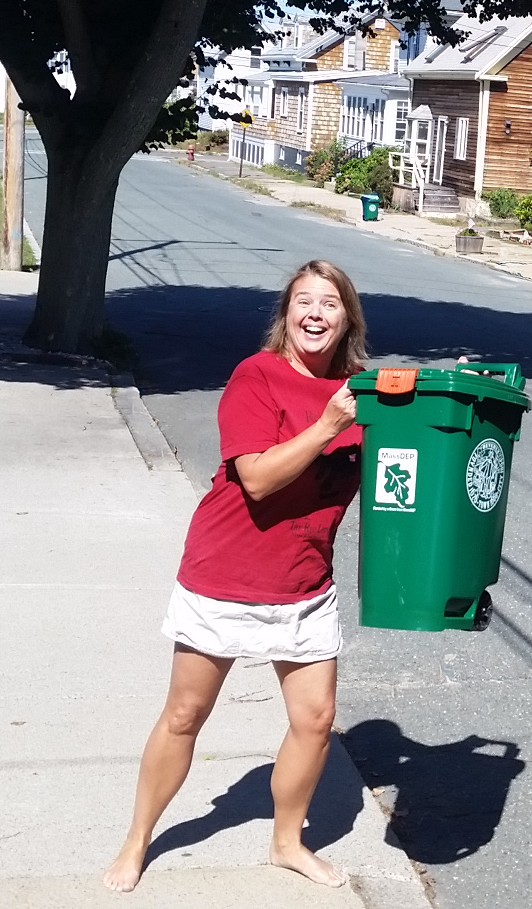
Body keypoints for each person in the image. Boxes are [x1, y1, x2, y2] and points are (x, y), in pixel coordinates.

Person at [103, 260, 368, 892]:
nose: (314, 313)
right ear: (285, 314)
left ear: (347, 319)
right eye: (303, 301)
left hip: (304, 580)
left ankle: (286, 842)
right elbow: (256, 478)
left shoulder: (362, 392)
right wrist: (329, 425)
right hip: (227, 570)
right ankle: (137, 840)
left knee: (316, 718)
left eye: (329, 303)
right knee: (185, 714)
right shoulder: (258, 376)